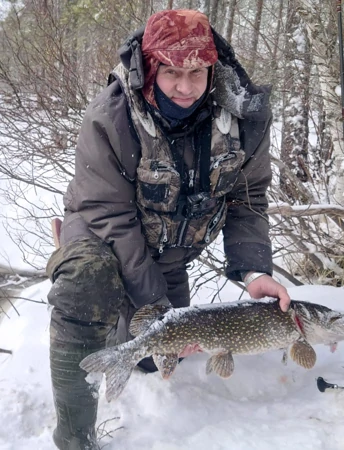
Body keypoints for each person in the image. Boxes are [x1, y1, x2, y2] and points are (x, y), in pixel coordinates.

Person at [45, 9, 290, 450]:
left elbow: (248, 198)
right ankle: (73, 436)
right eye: (173, 72)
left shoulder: (243, 117)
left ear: (212, 69)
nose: (185, 86)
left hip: (166, 251)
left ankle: (126, 315)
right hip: (102, 229)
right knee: (87, 285)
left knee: (154, 360)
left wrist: (254, 272)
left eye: (197, 72)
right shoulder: (112, 115)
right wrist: (159, 310)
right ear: (152, 67)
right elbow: (111, 216)